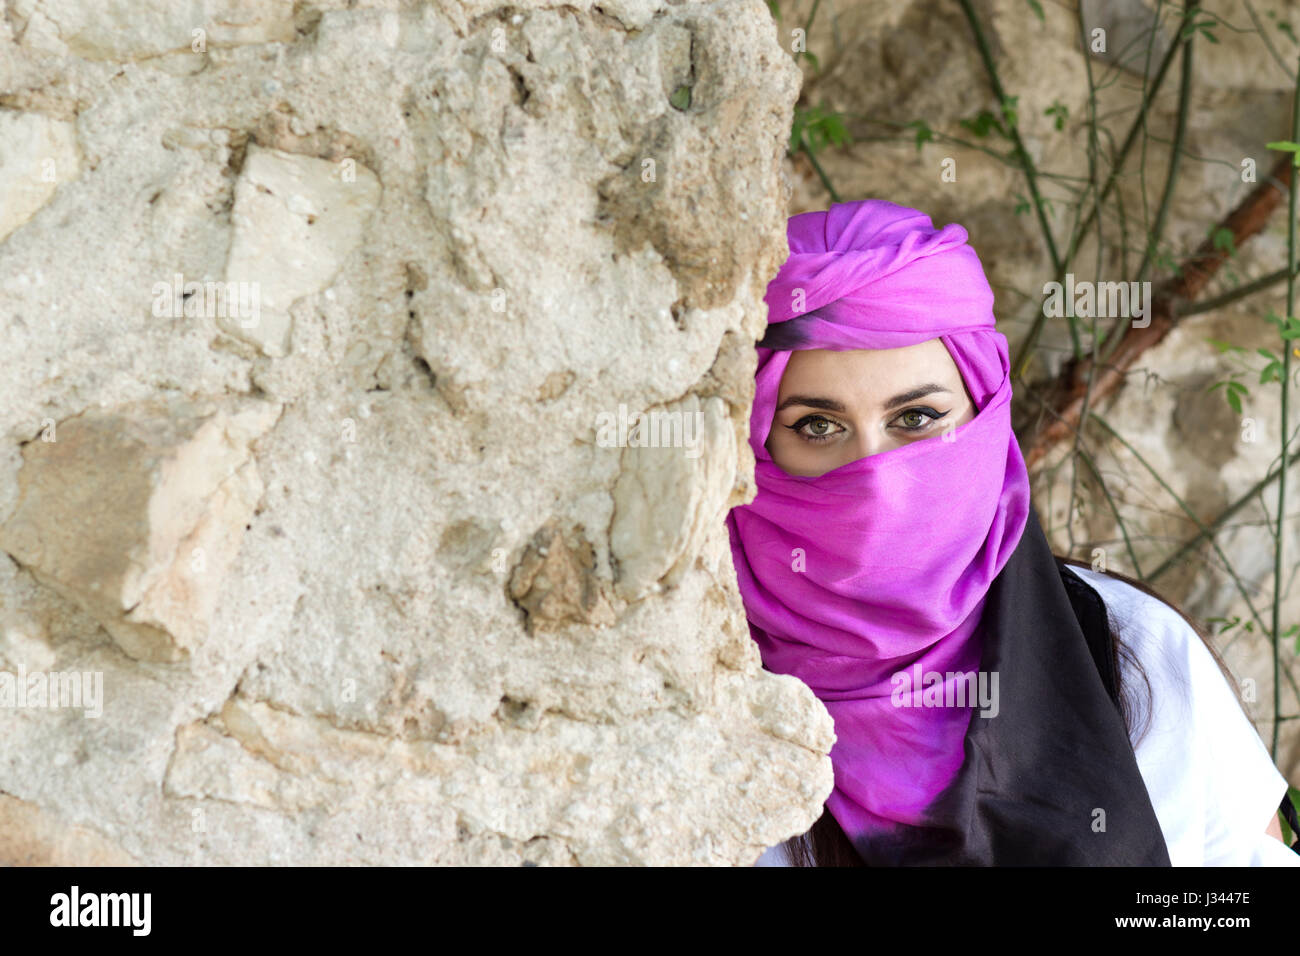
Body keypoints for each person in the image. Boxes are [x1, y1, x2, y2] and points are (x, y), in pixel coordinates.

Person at [728, 198, 1300, 866]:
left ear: (986, 416)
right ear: (754, 444)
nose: (878, 479)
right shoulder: (682, 678)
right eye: (817, 426)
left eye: (915, 418)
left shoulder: (1130, 651)